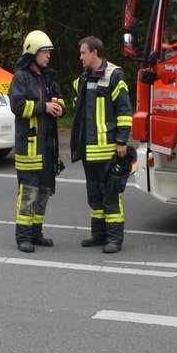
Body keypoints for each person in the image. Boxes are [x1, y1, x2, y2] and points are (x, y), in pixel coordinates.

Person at [70, 36, 133, 254]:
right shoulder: (83, 78)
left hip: (108, 149)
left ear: (95, 53)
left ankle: (115, 239)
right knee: (94, 196)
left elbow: (125, 111)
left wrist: (122, 140)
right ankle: (98, 235)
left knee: (111, 195)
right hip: (89, 150)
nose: (81, 57)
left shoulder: (114, 75)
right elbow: (76, 107)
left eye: (83, 53)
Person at [9, 30, 64, 253]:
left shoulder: (46, 77)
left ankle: (36, 232)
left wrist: (59, 106)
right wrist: (44, 107)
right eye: (45, 52)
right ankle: (23, 236)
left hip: (46, 147)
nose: (48, 56)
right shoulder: (21, 77)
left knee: (43, 191)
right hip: (29, 146)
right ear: (33, 53)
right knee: (28, 192)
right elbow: (18, 106)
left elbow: (57, 98)